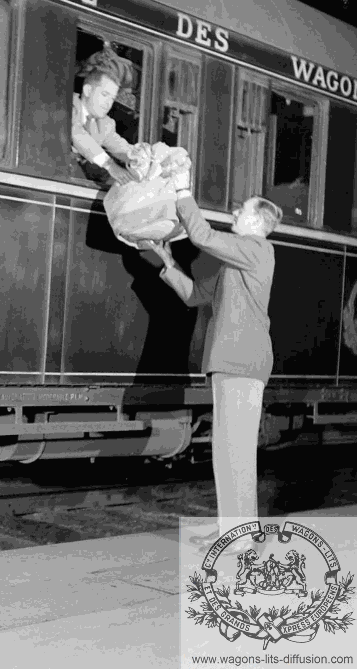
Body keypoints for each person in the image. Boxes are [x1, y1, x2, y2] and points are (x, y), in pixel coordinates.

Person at [144, 180, 283, 550]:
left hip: (241, 362)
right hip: (230, 364)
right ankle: (232, 532)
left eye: (243, 210)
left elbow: (203, 235)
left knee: (234, 454)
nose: (236, 213)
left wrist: (181, 192)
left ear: (258, 221)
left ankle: (239, 539)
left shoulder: (257, 250)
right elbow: (195, 296)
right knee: (227, 453)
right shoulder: (239, 259)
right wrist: (169, 264)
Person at [72, 51, 135, 186]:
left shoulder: (105, 124)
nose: (109, 103)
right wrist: (110, 165)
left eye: (112, 98)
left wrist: (142, 157)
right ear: (88, 90)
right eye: (105, 94)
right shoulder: (69, 105)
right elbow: (76, 134)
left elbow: (123, 149)